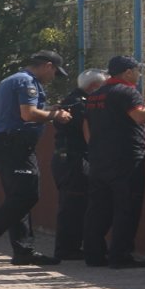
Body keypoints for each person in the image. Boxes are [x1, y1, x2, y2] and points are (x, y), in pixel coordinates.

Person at [0, 51, 73, 265]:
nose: (52, 78)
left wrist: (48, 110)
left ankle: (23, 250)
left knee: (18, 197)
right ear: (48, 66)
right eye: (54, 73)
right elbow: (28, 114)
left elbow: (23, 112)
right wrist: (56, 116)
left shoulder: (14, 80)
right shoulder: (26, 82)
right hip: (14, 145)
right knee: (26, 195)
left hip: (9, 144)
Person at [83, 56, 145, 268]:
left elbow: (86, 124)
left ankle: (93, 255)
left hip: (98, 158)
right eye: (137, 71)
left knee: (98, 208)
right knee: (126, 207)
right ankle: (119, 256)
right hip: (125, 159)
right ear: (128, 72)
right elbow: (141, 117)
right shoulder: (127, 91)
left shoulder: (95, 95)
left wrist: (95, 147)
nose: (139, 76)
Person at [50, 68, 108, 260]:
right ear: (94, 87)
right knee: (73, 204)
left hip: (65, 159)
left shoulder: (70, 100)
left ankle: (70, 247)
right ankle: (67, 249)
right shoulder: (80, 104)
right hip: (74, 160)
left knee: (72, 204)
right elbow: (87, 134)